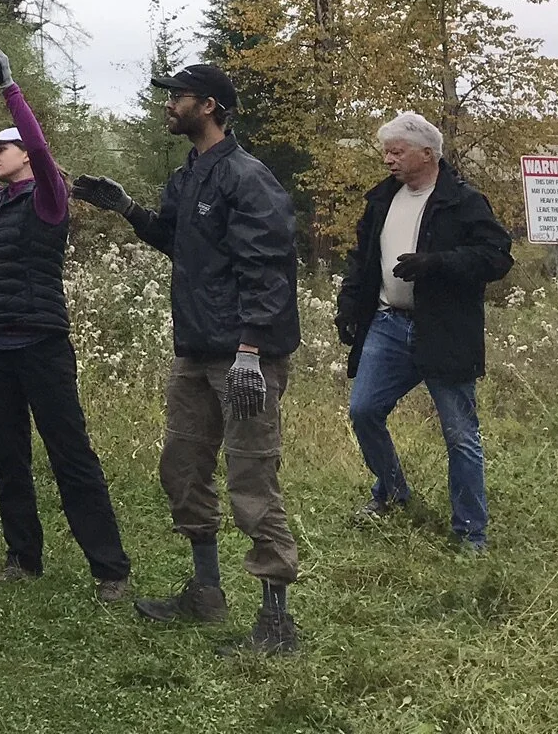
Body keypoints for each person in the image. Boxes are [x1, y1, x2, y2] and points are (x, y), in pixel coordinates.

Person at [71, 63, 301, 656]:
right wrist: (126, 209)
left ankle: (277, 622)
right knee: (183, 467)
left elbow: (267, 270)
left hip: (243, 358)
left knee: (252, 480)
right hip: (195, 351)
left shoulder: (248, 178)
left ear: (210, 106)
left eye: (178, 97)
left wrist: (250, 352)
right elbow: (176, 240)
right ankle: (205, 591)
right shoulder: (189, 175)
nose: (169, 105)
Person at [0, 47, 131, 601]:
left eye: (1, 146)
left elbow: (41, 149)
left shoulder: (48, 200)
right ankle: (23, 555)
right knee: (9, 454)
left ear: (24, 155)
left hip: (42, 346)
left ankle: (109, 568)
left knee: (71, 454)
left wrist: (9, 85)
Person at [336, 112, 512, 551]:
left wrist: (436, 263)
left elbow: (496, 258)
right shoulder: (381, 200)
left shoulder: (463, 201)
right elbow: (362, 259)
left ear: (428, 154)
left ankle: (472, 533)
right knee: (363, 410)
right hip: (388, 324)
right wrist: (348, 306)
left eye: (397, 151)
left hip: (444, 330)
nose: (388, 160)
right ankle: (392, 491)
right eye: (386, 151)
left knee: (460, 434)